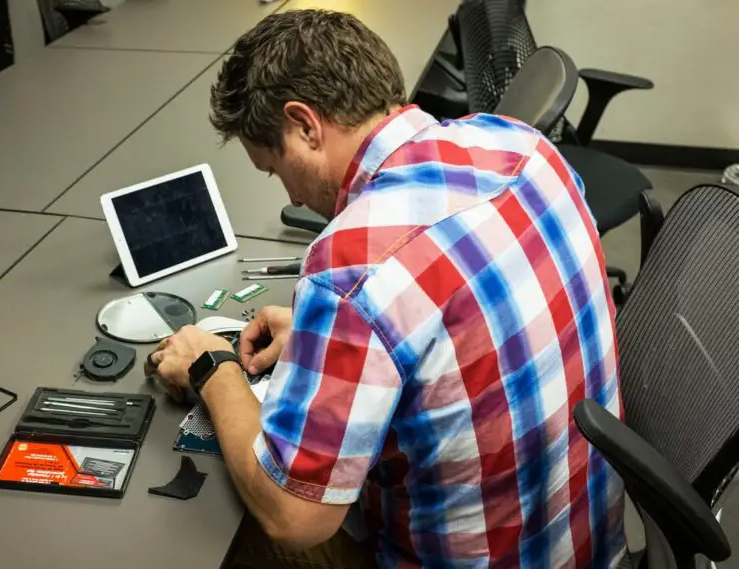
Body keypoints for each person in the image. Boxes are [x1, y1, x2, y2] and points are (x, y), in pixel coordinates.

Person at [145, 9, 625, 569]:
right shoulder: (521, 146)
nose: (294, 200)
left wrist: (212, 369)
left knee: (225, 538)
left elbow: (295, 518)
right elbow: (467, 304)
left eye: (275, 168)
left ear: (304, 124)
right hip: (584, 546)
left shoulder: (352, 265)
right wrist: (322, 335)